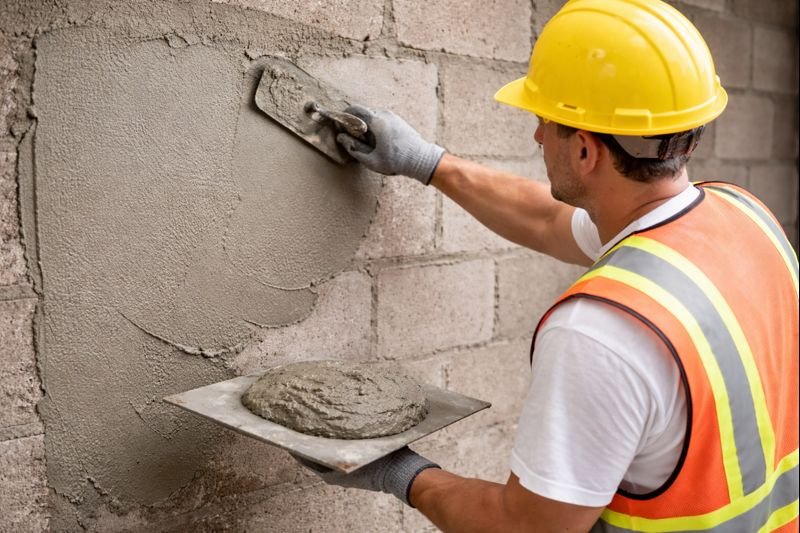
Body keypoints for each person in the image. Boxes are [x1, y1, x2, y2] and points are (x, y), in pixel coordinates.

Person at [298, 0, 800, 531]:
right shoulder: (743, 216)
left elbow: (531, 527)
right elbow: (546, 220)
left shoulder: (601, 330)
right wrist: (427, 162)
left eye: (545, 123)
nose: (537, 136)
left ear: (585, 151)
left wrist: (398, 472)